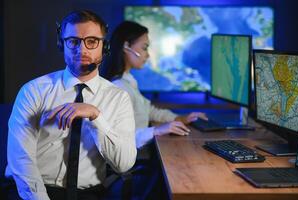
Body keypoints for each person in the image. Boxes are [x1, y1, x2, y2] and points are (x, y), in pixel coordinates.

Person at [5, 10, 137, 200]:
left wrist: (95, 116)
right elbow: (20, 160)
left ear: (104, 47)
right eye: (73, 41)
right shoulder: (33, 91)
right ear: (62, 44)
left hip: (88, 194)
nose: (82, 50)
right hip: (32, 191)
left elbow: (123, 164)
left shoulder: (118, 98)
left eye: (92, 41)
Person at [101, 21, 208, 149]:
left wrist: (181, 118)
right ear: (126, 46)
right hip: (132, 159)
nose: (148, 55)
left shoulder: (128, 80)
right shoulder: (120, 87)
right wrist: (157, 130)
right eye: (144, 47)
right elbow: (119, 139)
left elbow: (148, 111)